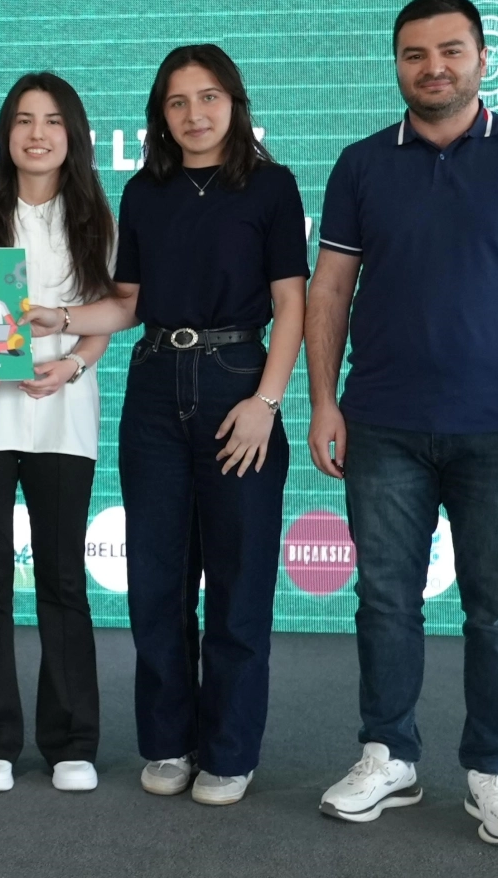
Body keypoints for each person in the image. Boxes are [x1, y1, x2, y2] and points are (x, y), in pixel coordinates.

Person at [308, 0, 498, 848]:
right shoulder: (362, 165)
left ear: (481, 57)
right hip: (383, 424)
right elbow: (330, 292)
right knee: (385, 602)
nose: (433, 67)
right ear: (397, 64)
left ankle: (495, 771)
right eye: (415, 54)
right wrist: (323, 400)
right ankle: (388, 756)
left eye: (451, 51)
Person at [27, 44, 307, 806]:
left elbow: (292, 303)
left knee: (239, 580)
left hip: (238, 383)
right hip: (154, 388)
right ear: (161, 116)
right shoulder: (144, 192)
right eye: (177, 102)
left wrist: (267, 403)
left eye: (208, 97)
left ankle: (229, 751)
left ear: (234, 104)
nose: (194, 114)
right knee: (156, 578)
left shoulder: (271, 187)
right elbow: (127, 303)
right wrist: (61, 318)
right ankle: (169, 741)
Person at [0, 72, 116, 794]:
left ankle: (71, 741)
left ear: (72, 134)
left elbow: (109, 313)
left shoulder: (97, 220)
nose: (36, 134)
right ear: (5, 134)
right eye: (22, 120)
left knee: (63, 580)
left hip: (63, 418)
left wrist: (73, 363)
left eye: (50, 120)